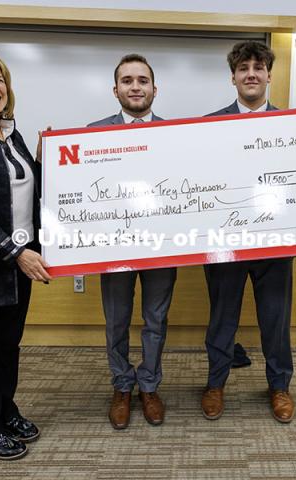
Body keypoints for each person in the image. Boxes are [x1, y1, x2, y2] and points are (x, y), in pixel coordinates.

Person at [201, 41, 295, 423]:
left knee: (276, 318)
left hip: (275, 241)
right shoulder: (207, 125)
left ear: (269, 75)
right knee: (222, 317)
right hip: (225, 241)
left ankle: (280, 386)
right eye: (244, 68)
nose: (251, 74)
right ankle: (215, 384)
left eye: (258, 67)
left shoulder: (293, 126)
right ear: (233, 77)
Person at [88, 54, 176, 428]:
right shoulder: (92, 133)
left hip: (162, 246)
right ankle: (123, 385)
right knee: (117, 321)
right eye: (127, 81)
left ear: (155, 89)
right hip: (114, 248)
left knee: (156, 319)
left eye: (142, 80)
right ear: (116, 90)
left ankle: (149, 386)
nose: (135, 87)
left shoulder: (179, 135)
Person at [0, 49, 51, 460]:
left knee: (9, 345)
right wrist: (16, 251)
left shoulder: (9, 132)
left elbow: (20, 191)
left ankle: (6, 410)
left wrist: (44, 161)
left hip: (20, 265)